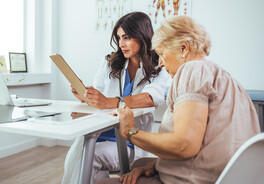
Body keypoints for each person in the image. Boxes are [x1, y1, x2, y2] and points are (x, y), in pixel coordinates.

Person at [97, 16, 260, 184]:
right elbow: (207, 143)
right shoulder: (231, 82)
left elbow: (184, 145)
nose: (159, 63)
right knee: (140, 163)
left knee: (102, 183)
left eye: (161, 53)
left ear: (183, 48)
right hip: (226, 175)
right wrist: (155, 164)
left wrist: (130, 132)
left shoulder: (191, 70)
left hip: (194, 179)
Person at [63, 12, 169, 184]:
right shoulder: (110, 62)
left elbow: (151, 97)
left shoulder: (160, 65)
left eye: (126, 37)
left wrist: (109, 102)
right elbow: (99, 93)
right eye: (119, 38)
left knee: (90, 156)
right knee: (75, 154)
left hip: (128, 142)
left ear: (142, 36)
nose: (121, 44)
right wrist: (86, 97)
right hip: (100, 132)